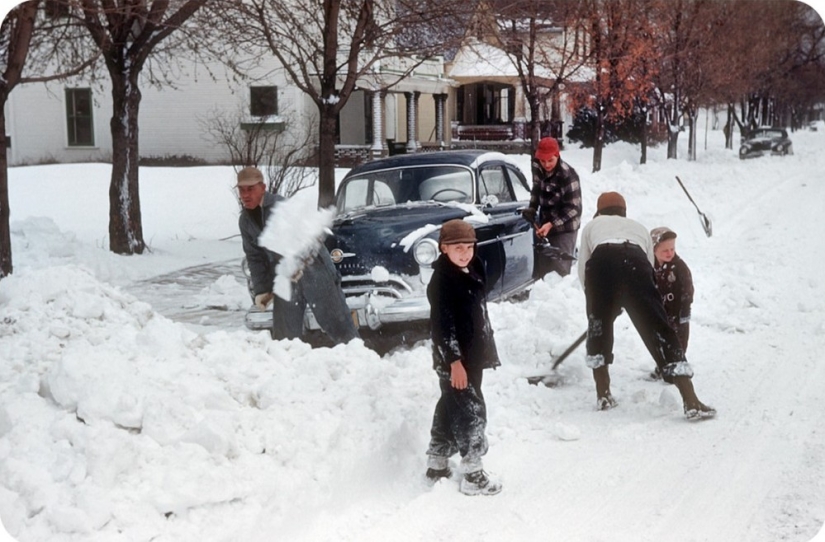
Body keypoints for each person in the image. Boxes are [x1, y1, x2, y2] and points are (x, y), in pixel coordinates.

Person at [577, 192, 715, 420]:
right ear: (624, 212)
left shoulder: (593, 226)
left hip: (601, 266)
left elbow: (584, 267)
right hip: (636, 265)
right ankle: (690, 399)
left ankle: (603, 395)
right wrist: (640, 302)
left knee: (599, 330)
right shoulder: (638, 227)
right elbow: (649, 267)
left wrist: (599, 306)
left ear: (600, 211)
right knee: (661, 331)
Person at [236, 166, 359, 345]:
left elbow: (312, 239)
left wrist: (298, 262)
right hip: (286, 279)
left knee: (339, 327)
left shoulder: (281, 207)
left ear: (263, 188)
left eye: (250, 189)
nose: (245, 195)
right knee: (284, 338)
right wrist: (262, 289)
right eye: (241, 190)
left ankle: (359, 360)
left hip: (316, 271)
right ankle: (287, 368)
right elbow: (254, 257)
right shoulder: (245, 221)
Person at [425, 219, 502, 496]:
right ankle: (473, 472)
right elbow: (442, 327)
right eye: (458, 247)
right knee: (471, 411)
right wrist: (454, 362)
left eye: (469, 246)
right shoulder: (442, 281)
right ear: (443, 248)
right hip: (455, 360)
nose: (465, 252)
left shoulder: (473, 268)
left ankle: (436, 462)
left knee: (450, 405)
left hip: (473, 355)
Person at [521, 136, 582, 278]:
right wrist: (532, 208)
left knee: (559, 270)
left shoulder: (568, 175)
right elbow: (537, 188)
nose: (546, 164)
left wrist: (552, 224)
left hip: (565, 227)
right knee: (543, 268)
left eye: (550, 160)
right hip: (545, 225)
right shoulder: (538, 167)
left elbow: (573, 208)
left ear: (557, 155)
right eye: (543, 161)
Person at [649, 226, 694, 380]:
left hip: (677, 313)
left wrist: (685, 310)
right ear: (653, 250)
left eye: (672, 249)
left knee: (679, 342)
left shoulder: (679, 267)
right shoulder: (649, 267)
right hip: (658, 313)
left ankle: (678, 368)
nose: (670, 253)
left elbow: (688, 289)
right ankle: (662, 366)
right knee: (659, 341)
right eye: (665, 250)